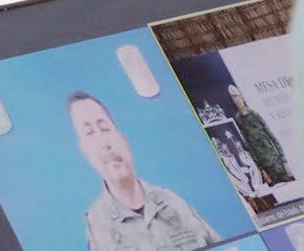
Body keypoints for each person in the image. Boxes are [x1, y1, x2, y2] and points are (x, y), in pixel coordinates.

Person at [69, 92, 218, 251]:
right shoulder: (97, 225)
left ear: (122, 139)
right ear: (85, 152)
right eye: (89, 133)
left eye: (105, 128)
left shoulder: (172, 202)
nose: (104, 143)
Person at [231, 84, 294, 186]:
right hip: (266, 167)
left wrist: (285, 162)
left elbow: (272, 137)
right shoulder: (238, 119)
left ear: (242, 96)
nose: (236, 100)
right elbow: (249, 145)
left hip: (278, 163)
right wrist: (262, 171)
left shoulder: (254, 114)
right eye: (233, 98)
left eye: (237, 96)